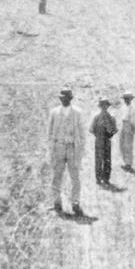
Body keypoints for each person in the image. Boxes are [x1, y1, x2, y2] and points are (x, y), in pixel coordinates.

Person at [47, 87, 87, 216]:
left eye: (66, 98)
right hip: (58, 147)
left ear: (71, 98)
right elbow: (50, 131)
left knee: (75, 177)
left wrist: (80, 150)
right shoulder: (54, 112)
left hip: (72, 148)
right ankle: (57, 203)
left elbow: (82, 133)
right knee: (56, 176)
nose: (63, 100)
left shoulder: (77, 113)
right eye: (61, 98)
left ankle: (75, 203)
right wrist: (52, 148)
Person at [90, 98, 118, 186]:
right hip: (98, 141)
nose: (104, 107)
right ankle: (98, 179)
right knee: (98, 160)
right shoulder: (96, 117)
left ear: (108, 106)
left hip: (107, 141)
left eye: (106, 105)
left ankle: (106, 179)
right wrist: (98, 136)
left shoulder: (111, 117)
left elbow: (114, 130)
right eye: (102, 105)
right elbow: (91, 129)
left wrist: (109, 134)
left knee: (107, 160)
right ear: (100, 106)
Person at [117, 91, 135, 171]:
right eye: (125, 99)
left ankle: (128, 163)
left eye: (128, 99)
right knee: (122, 143)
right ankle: (125, 161)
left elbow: (134, 120)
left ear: (131, 99)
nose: (126, 100)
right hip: (123, 124)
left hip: (129, 125)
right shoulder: (123, 107)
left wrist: (132, 129)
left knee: (128, 145)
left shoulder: (133, 108)